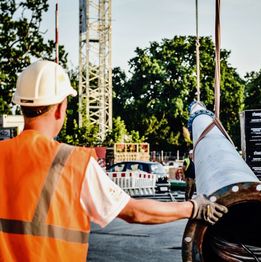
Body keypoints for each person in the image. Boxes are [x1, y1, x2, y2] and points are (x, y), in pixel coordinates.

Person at [0, 60, 228, 261]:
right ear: (61, 109)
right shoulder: (71, 162)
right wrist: (193, 207)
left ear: (22, 106)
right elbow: (134, 212)